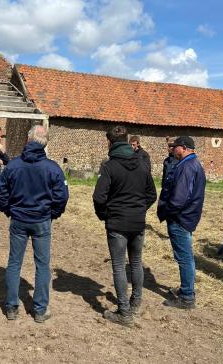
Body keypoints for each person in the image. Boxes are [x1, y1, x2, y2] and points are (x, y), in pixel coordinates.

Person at [0, 125, 69, 323]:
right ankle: (39, 309)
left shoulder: (13, 166)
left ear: (28, 141)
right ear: (45, 143)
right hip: (41, 221)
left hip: (19, 219)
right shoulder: (53, 168)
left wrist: (9, 210)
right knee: (43, 264)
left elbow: (0, 193)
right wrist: (52, 213)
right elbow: (61, 196)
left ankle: (11, 307)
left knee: (14, 262)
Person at [93, 126, 157, 326]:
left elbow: (99, 197)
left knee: (119, 266)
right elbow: (152, 195)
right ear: (128, 141)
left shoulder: (109, 166)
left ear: (110, 143)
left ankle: (124, 312)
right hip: (138, 222)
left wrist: (105, 215)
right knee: (136, 262)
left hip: (118, 222)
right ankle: (135, 302)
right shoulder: (142, 165)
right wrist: (139, 210)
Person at [157, 136, 206, 309]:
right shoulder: (192, 164)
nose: (172, 149)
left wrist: (167, 212)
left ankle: (186, 296)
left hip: (180, 218)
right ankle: (186, 288)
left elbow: (179, 198)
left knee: (184, 257)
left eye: (174, 146)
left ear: (183, 148)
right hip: (186, 216)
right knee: (186, 257)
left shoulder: (186, 167)